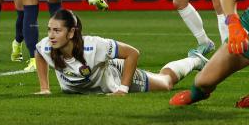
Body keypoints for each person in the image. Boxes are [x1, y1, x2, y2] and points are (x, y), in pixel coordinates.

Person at [34, 9, 207, 95]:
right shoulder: (47, 46)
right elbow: (39, 53)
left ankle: (195, 60)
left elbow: (132, 53)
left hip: (117, 72)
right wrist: (45, 88)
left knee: (166, 83)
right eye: (49, 30)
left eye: (57, 30)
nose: (51, 35)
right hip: (92, 85)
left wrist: (123, 89)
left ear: (71, 32)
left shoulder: (94, 46)